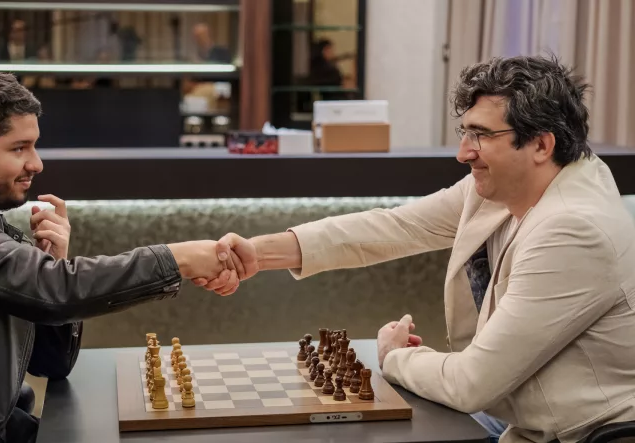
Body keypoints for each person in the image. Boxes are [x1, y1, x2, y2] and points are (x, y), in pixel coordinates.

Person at [194, 54, 635, 443]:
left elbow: (470, 383)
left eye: (480, 135)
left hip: (579, 433)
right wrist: (258, 252)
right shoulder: (516, 181)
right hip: (515, 413)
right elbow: (395, 227)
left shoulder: (572, 229)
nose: (463, 152)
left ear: (541, 144)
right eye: (464, 133)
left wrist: (395, 357)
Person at [0, 70, 240, 442]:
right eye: (19, 148)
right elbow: (52, 292)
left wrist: (54, 264)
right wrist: (178, 258)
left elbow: (52, 363)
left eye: (34, 145)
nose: (37, 163)